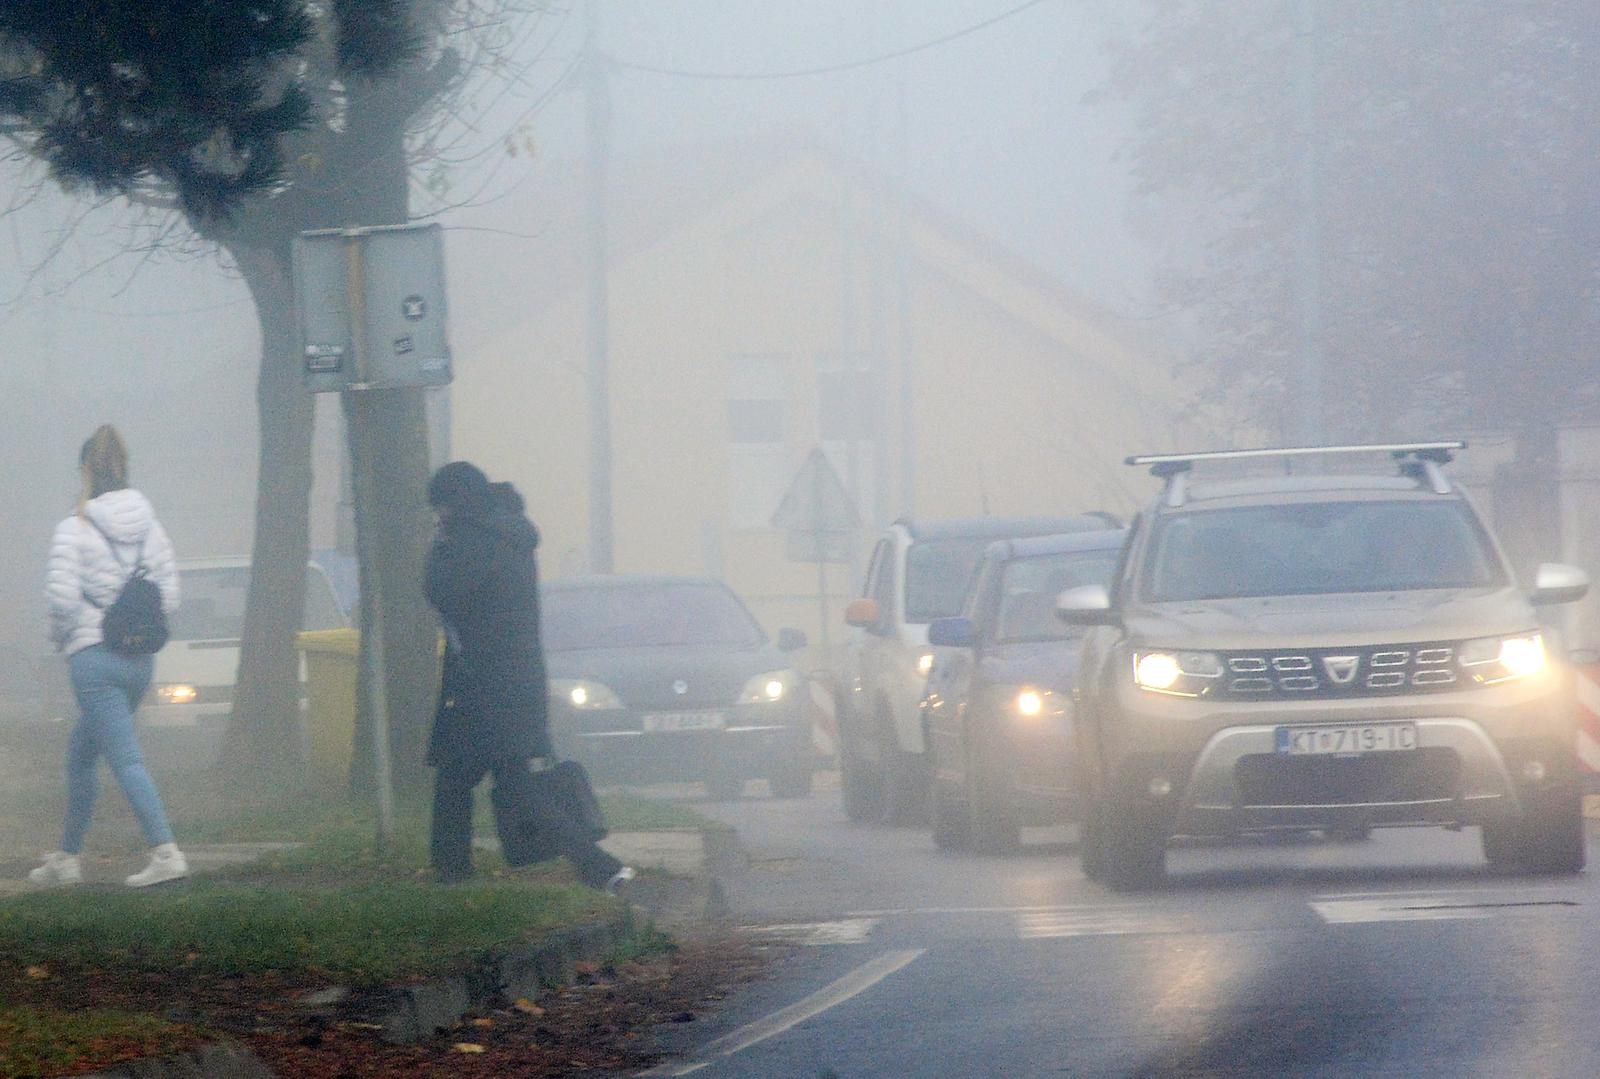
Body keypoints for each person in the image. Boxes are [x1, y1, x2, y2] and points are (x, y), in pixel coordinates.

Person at [424, 461, 632, 891]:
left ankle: (453, 873)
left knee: (458, 779)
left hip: (482, 683)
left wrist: (438, 547)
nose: (438, 517)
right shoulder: (509, 534)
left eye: (440, 508)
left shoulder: (472, 541)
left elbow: (443, 591)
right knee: (516, 781)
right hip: (515, 680)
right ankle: (598, 868)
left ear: (455, 503)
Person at [29, 425, 188, 888]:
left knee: (126, 759)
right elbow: (169, 597)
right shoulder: (150, 526)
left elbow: (60, 602)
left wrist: (63, 639)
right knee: (80, 756)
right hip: (139, 661)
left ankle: (166, 852)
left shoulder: (73, 526)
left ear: (84, 471)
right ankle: (67, 858)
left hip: (93, 662)